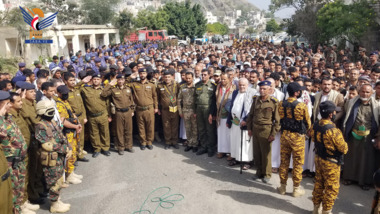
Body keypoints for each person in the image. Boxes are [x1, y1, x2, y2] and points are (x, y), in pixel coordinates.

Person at [309, 101, 348, 214]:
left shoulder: (315, 125)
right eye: (334, 111)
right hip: (331, 162)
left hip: (319, 158)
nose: (335, 113)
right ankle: (326, 211)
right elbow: (344, 149)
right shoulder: (333, 131)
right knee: (331, 188)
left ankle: (316, 209)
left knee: (319, 183)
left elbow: (313, 139)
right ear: (331, 114)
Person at [34, 99, 72, 213]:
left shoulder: (53, 123)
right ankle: (54, 205)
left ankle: (57, 200)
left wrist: (68, 147)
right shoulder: (40, 126)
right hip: (51, 158)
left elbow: (61, 136)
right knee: (53, 182)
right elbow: (46, 145)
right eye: (49, 111)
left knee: (59, 180)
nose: (51, 113)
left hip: (59, 157)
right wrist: (64, 149)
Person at [277, 82, 311, 197]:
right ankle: (296, 189)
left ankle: (282, 187)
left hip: (285, 135)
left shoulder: (281, 104)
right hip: (297, 138)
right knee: (297, 163)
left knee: (284, 161)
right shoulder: (301, 106)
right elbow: (308, 123)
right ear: (296, 93)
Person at [343, 84, 380, 190]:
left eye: (367, 92)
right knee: (351, 157)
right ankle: (349, 178)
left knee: (366, 160)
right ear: (359, 92)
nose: (365, 94)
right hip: (353, 135)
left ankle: (364, 181)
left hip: (368, 137)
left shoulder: (377, 106)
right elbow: (346, 115)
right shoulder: (351, 102)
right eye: (363, 91)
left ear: (372, 93)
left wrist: (378, 137)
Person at [9, 92, 39, 212]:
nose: (21, 103)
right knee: (20, 180)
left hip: (26, 150)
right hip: (17, 155)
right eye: (18, 101)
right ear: (10, 104)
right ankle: (21, 204)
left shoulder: (19, 112)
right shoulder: (9, 117)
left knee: (25, 177)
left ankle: (25, 201)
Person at [0, 91, 30, 214]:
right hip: (9, 164)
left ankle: (18, 209)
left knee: (19, 190)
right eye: (7, 104)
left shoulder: (9, 117)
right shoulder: (1, 120)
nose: (10, 106)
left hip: (19, 161)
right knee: (11, 193)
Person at [247, 80, 280, 183]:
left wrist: (273, 133)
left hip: (266, 129)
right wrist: (249, 128)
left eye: (264, 89)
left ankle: (267, 174)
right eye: (260, 88)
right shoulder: (255, 100)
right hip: (255, 128)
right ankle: (259, 172)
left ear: (270, 90)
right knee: (257, 153)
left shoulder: (274, 102)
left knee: (266, 154)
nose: (262, 90)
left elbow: (277, 120)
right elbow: (250, 115)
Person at [19, 82, 44, 205]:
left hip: (36, 138)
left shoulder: (33, 102)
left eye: (34, 91)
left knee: (37, 167)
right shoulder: (23, 104)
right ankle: (32, 195)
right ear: (24, 93)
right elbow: (34, 120)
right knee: (31, 170)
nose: (34, 93)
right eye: (31, 92)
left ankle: (38, 190)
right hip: (31, 139)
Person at [101, 74, 135, 155]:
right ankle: (121, 147)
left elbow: (131, 100)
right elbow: (103, 94)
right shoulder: (113, 90)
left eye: (122, 80)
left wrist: (132, 110)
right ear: (117, 81)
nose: (120, 81)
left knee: (128, 130)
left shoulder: (128, 89)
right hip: (118, 112)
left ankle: (129, 146)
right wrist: (109, 85)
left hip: (128, 111)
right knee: (119, 131)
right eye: (118, 80)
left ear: (124, 80)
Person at [56, 85, 83, 184]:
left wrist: (78, 124)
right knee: (69, 153)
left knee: (74, 151)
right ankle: (68, 175)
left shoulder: (65, 102)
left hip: (73, 130)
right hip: (67, 132)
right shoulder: (59, 104)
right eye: (64, 94)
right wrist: (75, 126)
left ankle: (71, 172)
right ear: (59, 93)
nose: (66, 95)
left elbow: (72, 114)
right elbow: (62, 120)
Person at [226, 78, 255, 168]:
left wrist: (245, 120)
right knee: (235, 140)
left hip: (244, 122)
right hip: (235, 121)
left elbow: (251, 109)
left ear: (247, 85)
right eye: (240, 85)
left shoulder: (251, 93)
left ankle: (246, 161)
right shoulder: (235, 92)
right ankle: (236, 158)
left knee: (245, 142)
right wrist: (228, 120)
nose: (241, 87)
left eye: (243, 85)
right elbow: (231, 107)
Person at [81, 74, 111, 158]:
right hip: (91, 116)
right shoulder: (86, 89)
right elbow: (75, 89)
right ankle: (97, 149)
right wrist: (82, 82)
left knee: (105, 132)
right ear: (91, 80)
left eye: (98, 79)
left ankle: (105, 148)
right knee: (94, 133)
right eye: (94, 79)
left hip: (103, 114)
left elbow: (108, 104)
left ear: (101, 80)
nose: (96, 81)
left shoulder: (104, 90)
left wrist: (109, 115)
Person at [64, 73, 91, 162]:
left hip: (81, 116)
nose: (72, 82)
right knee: (74, 138)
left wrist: (84, 116)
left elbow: (81, 104)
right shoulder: (65, 92)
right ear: (65, 81)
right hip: (72, 119)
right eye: (70, 80)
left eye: (73, 80)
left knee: (81, 136)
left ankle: (80, 153)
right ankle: (74, 156)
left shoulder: (76, 90)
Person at [130, 68, 158, 150]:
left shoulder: (151, 85)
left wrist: (156, 107)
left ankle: (149, 141)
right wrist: (131, 77)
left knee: (150, 126)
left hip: (149, 109)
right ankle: (143, 142)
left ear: (146, 74)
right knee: (141, 126)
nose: (142, 75)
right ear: (139, 74)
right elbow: (124, 83)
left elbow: (155, 97)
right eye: (141, 73)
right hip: (139, 109)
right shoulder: (134, 84)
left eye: (144, 73)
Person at [194, 69, 217, 157]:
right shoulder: (197, 85)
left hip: (208, 109)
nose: (203, 76)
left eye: (205, 75)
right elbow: (194, 99)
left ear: (209, 76)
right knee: (201, 129)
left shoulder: (213, 86)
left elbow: (214, 101)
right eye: (202, 74)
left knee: (210, 129)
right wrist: (195, 111)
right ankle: (203, 147)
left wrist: (212, 113)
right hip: (199, 109)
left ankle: (211, 148)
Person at [156, 70, 180, 149]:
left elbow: (179, 95)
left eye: (169, 77)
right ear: (163, 77)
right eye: (165, 77)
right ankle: (168, 141)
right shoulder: (160, 86)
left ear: (172, 77)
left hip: (174, 108)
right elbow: (157, 98)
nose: (167, 78)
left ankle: (174, 141)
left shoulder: (176, 84)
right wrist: (158, 108)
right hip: (165, 109)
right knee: (166, 125)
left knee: (175, 125)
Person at [177, 72, 198, 152]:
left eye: (190, 78)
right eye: (187, 78)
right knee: (188, 128)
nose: (188, 80)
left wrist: (196, 111)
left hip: (193, 111)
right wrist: (180, 111)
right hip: (185, 111)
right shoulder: (182, 87)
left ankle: (195, 144)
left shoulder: (196, 87)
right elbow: (179, 100)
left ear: (192, 78)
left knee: (195, 128)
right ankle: (189, 143)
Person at [216, 73, 235, 158]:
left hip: (228, 114)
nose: (223, 81)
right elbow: (214, 100)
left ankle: (230, 152)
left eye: (225, 79)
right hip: (220, 113)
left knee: (229, 134)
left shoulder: (233, 87)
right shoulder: (218, 87)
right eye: (222, 79)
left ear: (229, 79)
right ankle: (221, 151)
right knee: (221, 133)